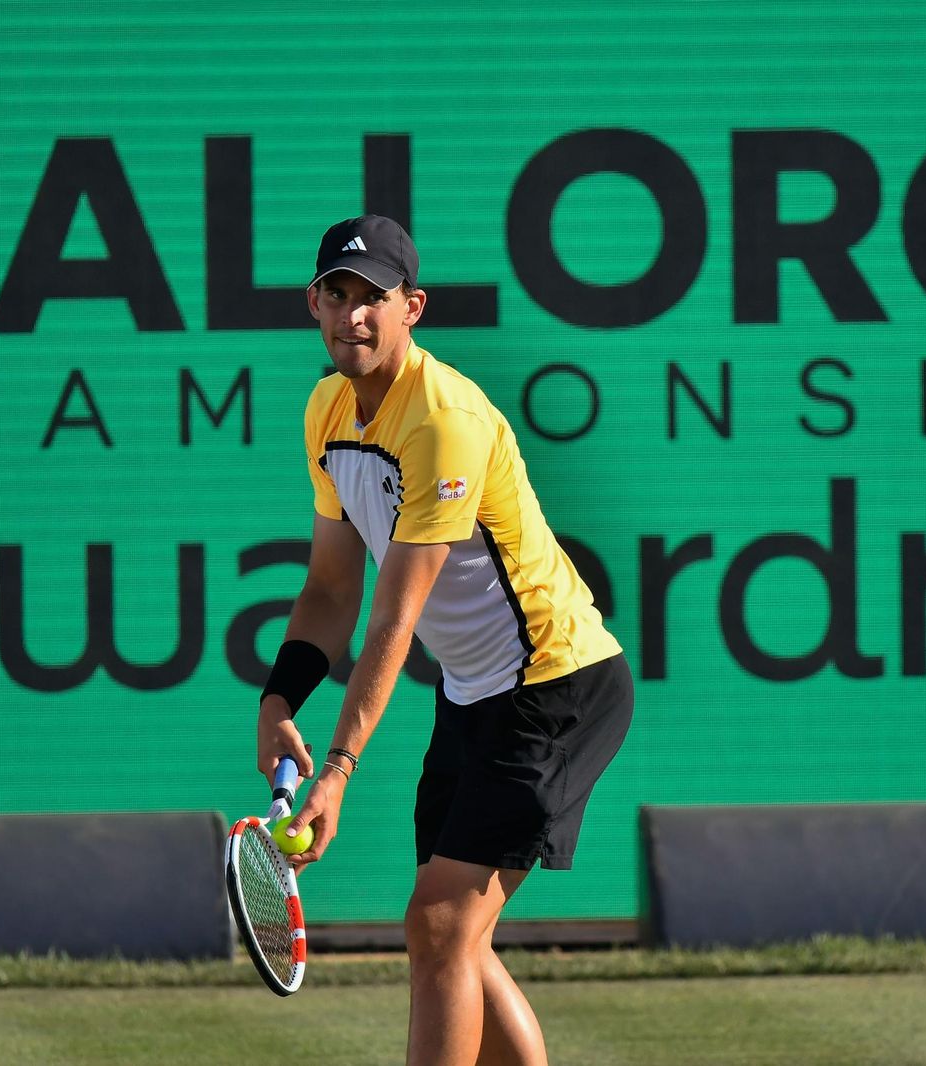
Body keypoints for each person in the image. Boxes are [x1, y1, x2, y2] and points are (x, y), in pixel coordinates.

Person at [256, 214, 633, 1066]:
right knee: (453, 940)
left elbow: (394, 613)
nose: (353, 315)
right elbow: (330, 588)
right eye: (336, 294)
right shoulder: (325, 411)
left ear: (412, 308)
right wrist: (279, 703)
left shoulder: (444, 420)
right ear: (313, 305)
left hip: (555, 687)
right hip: (475, 695)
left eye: (373, 299)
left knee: (437, 925)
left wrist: (339, 771)